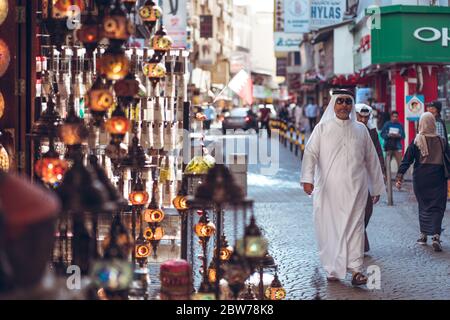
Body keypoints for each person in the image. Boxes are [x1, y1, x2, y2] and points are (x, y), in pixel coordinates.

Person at [300, 89, 385, 286]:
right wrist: (307, 178)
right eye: (340, 102)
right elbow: (310, 154)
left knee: (356, 228)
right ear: (333, 104)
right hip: (329, 190)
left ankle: (356, 270)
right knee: (331, 229)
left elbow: (371, 159)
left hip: (357, 189)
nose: (344, 106)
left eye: (348, 102)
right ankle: (333, 268)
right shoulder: (322, 128)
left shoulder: (361, 130)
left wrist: (377, 187)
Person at [396, 112, 450, 252]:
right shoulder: (442, 141)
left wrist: (400, 175)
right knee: (438, 206)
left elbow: (407, 160)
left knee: (424, 206)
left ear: (421, 124)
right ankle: (436, 236)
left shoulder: (417, 140)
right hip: (438, 177)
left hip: (421, 178)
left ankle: (424, 235)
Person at [355, 104, 386, 253]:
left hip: (367, 174)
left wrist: (382, 172)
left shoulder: (372, 130)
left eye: (366, 117)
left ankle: (359, 238)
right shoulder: (348, 130)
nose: (363, 119)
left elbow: (378, 152)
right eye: (360, 116)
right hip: (350, 175)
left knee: (367, 210)